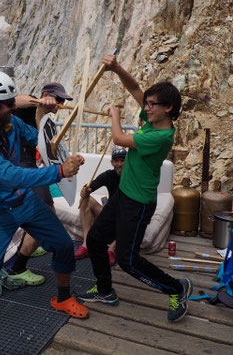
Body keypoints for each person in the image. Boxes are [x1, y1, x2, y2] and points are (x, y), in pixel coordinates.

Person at [0, 71, 89, 338]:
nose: (13, 107)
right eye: (9, 103)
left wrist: (43, 110)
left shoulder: (9, 122)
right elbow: (12, 176)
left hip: (24, 201)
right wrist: (60, 173)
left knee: (61, 245)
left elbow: (38, 137)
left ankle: (62, 297)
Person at [76, 55, 192, 323]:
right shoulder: (154, 120)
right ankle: (105, 290)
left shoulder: (159, 136)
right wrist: (117, 68)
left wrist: (115, 115)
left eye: (152, 104)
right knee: (94, 240)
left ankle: (176, 288)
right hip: (123, 196)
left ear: (168, 108)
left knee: (127, 260)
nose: (146, 107)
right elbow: (135, 89)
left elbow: (119, 138)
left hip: (138, 203)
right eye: (147, 104)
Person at [5, 83, 73, 286]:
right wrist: (40, 101)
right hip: (22, 167)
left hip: (30, 165)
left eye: (62, 101)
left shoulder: (44, 118)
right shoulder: (31, 105)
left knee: (42, 212)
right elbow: (16, 100)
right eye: (57, 100)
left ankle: (31, 245)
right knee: (46, 216)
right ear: (46, 96)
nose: (59, 105)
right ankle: (18, 268)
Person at [74, 148, 127, 266]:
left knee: (130, 215)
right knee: (85, 199)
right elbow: (92, 185)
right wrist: (85, 190)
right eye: (116, 161)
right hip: (109, 216)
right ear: (112, 163)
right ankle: (86, 245)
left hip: (125, 218)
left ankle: (111, 250)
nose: (119, 164)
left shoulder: (133, 177)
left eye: (122, 160)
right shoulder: (109, 175)